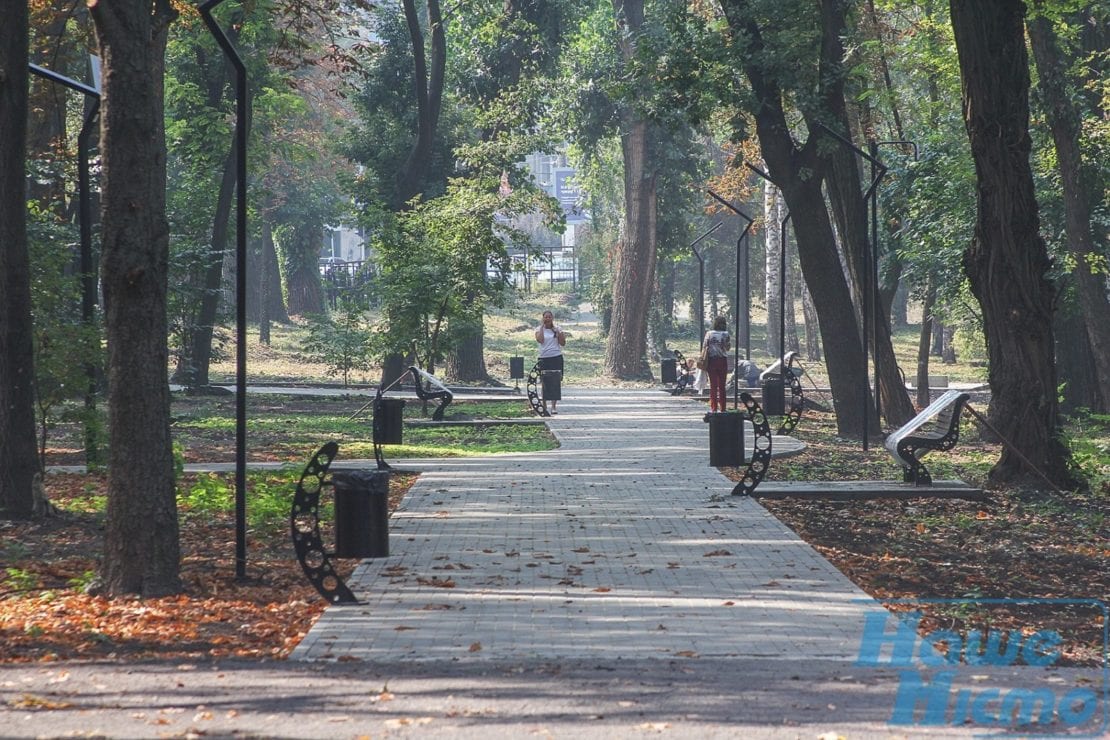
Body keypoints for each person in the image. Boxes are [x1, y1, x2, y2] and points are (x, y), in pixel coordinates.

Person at [534, 310, 566, 414]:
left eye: (549, 317)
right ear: (543, 318)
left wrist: (557, 332)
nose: (547, 319)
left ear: (552, 318)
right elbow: (540, 340)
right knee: (544, 382)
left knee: (555, 382)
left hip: (556, 357)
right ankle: (544, 405)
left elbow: (563, 343)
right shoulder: (538, 329)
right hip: (544, 358)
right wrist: (543, 328)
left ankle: (553, 406)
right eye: (545, 317)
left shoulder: (558, 329)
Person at [703, 315, 730, 414]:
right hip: (722, 360)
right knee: (722, 386)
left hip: (711, 361)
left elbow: (705, 346)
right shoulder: (725, 334)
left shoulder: (709, 334)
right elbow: (727, 348)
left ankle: (714, 408)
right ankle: (723, 408)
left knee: (713, 386)